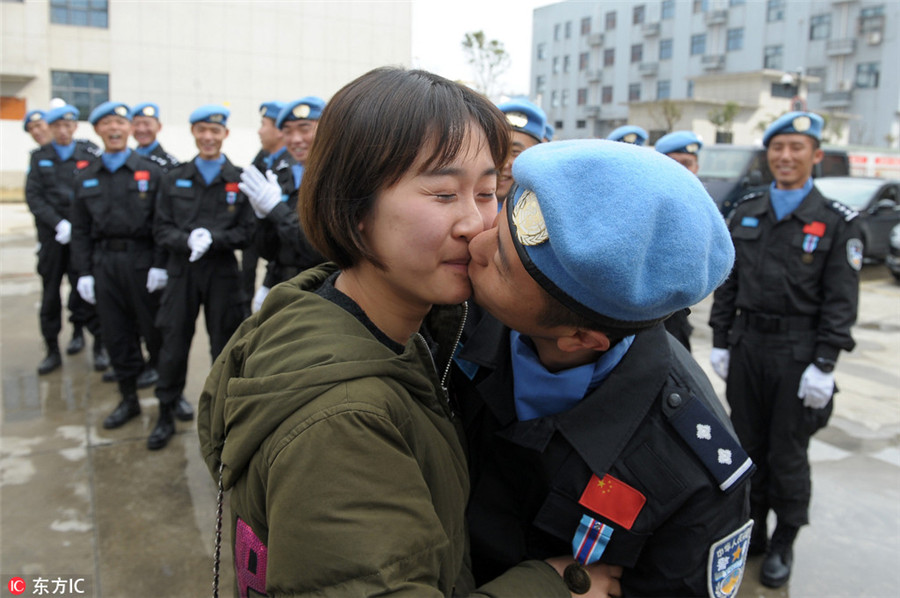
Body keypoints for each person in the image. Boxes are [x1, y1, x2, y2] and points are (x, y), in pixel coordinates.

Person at [198, 67, 621, 598]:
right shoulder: (342, 423)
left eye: (489, 191)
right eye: (443, 194)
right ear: (355, 211)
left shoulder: (402, 328)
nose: (475, 222)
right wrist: (550, 587)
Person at [457, 139, 754, 597]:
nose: (473, 245)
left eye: (500, 264)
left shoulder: (691, 471)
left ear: (580, 339)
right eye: (498, 227)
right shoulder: (451, 323)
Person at [708, 111, 862, 589]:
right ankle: (752, 532)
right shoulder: (747, 210)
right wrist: (720, 339)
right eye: (778, 147)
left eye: (797, 148)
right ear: (768, 154)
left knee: (788, 452)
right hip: (748, 345)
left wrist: (825, 364)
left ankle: (785, 540)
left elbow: (841, 301)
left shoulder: (837, 223)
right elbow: (727, 282)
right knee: (747, 446)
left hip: (800, 354)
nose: (786, 156)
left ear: (815, 155)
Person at [152, 104, 254, 450]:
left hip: (223, 272)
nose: (208, 137)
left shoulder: (239, 179)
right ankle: (166, 410)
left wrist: (216, 239)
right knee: (173, 342)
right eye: (201, 131)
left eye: (215, 131)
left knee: (225, 347)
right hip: (183, 271)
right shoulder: (173, 177)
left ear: (225, 134)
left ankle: (222, 420)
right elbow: (160, 228)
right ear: (193, 133)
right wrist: (185, 240)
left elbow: (247, 232)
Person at [71, 101, 166, 430]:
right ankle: (128, 399)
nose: (114, 129)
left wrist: (160, 264)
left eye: (120, 123)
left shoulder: (151, 172)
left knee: (155, 332)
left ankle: (169, 397)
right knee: (117, 335)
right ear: (97, 130)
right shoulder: (85, 176)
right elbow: (80, 231)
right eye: (107, 124)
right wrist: (83, 272)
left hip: (142, 262)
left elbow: (161, 223)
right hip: (105, 264)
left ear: (129, 129)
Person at [25, 104, 107, 375]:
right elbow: (34, 197)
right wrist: (58, 223)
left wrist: (79, 225)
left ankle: (96, 345)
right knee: (50, 296)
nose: (62, 131)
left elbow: (96, 191)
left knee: (86, 291)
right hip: (53, 238)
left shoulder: (88, 152)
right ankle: (51, 350)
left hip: (81, 238)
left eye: (67, 125)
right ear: (50, 128)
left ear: (75, 127)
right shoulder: (40, 157)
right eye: (57, 126)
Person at [238, 96, 325, 313]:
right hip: (285, 286)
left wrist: (277, 210)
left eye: (304, 129)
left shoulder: (335, 179)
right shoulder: (282, 175)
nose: (295, 139)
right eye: (287, 131)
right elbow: (269, 250)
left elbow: (319, 248)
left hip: (321, 289)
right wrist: (262, 218)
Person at [655, 130, 704, 351]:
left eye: (687, 163)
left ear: (697, 167)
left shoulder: (703, 209)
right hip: (643, 320)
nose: (682, 170)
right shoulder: (647, 208)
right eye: (674, 163)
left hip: (679, 319)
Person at [241, 101, 287, 316]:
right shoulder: (263, 159)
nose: (259, 131)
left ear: (279, 130)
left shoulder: (295, 164)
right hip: (264, 246)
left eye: (263, 124)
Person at [130, 102, 180, 173]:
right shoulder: (128, 159)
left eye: (147, 124)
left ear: (159, 127)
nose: (141, 129)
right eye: (136, 124)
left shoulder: (170, 164)